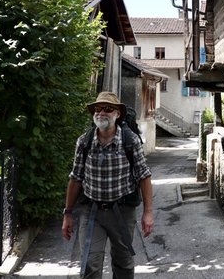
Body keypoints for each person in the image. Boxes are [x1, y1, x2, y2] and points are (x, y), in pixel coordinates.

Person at [61, 91, 154, 279]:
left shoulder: (130, 141)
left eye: (108, 109)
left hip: (122, 211)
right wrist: (68, 214)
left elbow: (144, 176)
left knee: (124, 265)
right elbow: (76, 178)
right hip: (91, 212)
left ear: (117, 114)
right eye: (98, 109)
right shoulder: (84, 142)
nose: (101, 113)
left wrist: (148, 212)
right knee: (89, 265)